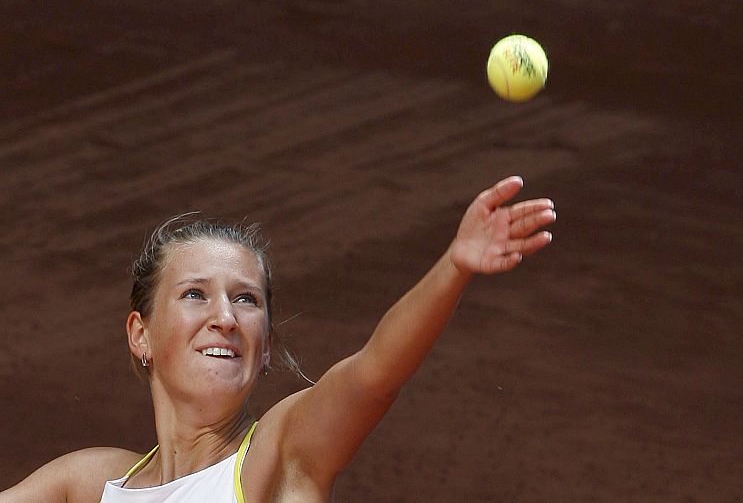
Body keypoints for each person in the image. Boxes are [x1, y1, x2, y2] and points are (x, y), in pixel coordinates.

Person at [0, 176, 555, 502]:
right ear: (139, 334)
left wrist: (453, 268)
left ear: (265, 346)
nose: (225, 317)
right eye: (195, 294)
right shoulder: (91, 484)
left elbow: (373, 375)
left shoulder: (280, 454)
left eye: (247, 300)